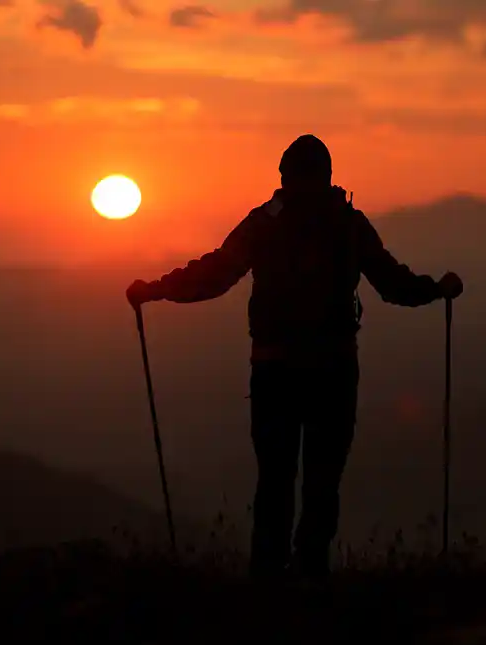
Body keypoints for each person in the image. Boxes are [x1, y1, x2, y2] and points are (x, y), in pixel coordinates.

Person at [127, 134, 463, 580]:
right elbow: (393, 283)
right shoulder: (347, 223)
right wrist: (437, 290)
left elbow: (215, 273)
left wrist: (157, 290)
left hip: (274, 371)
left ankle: (268, 580)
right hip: (334, 371)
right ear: (327, 178)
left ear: (284, 177)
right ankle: (310, 580)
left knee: (276, 481)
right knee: (321, 483)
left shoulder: (265, 224)